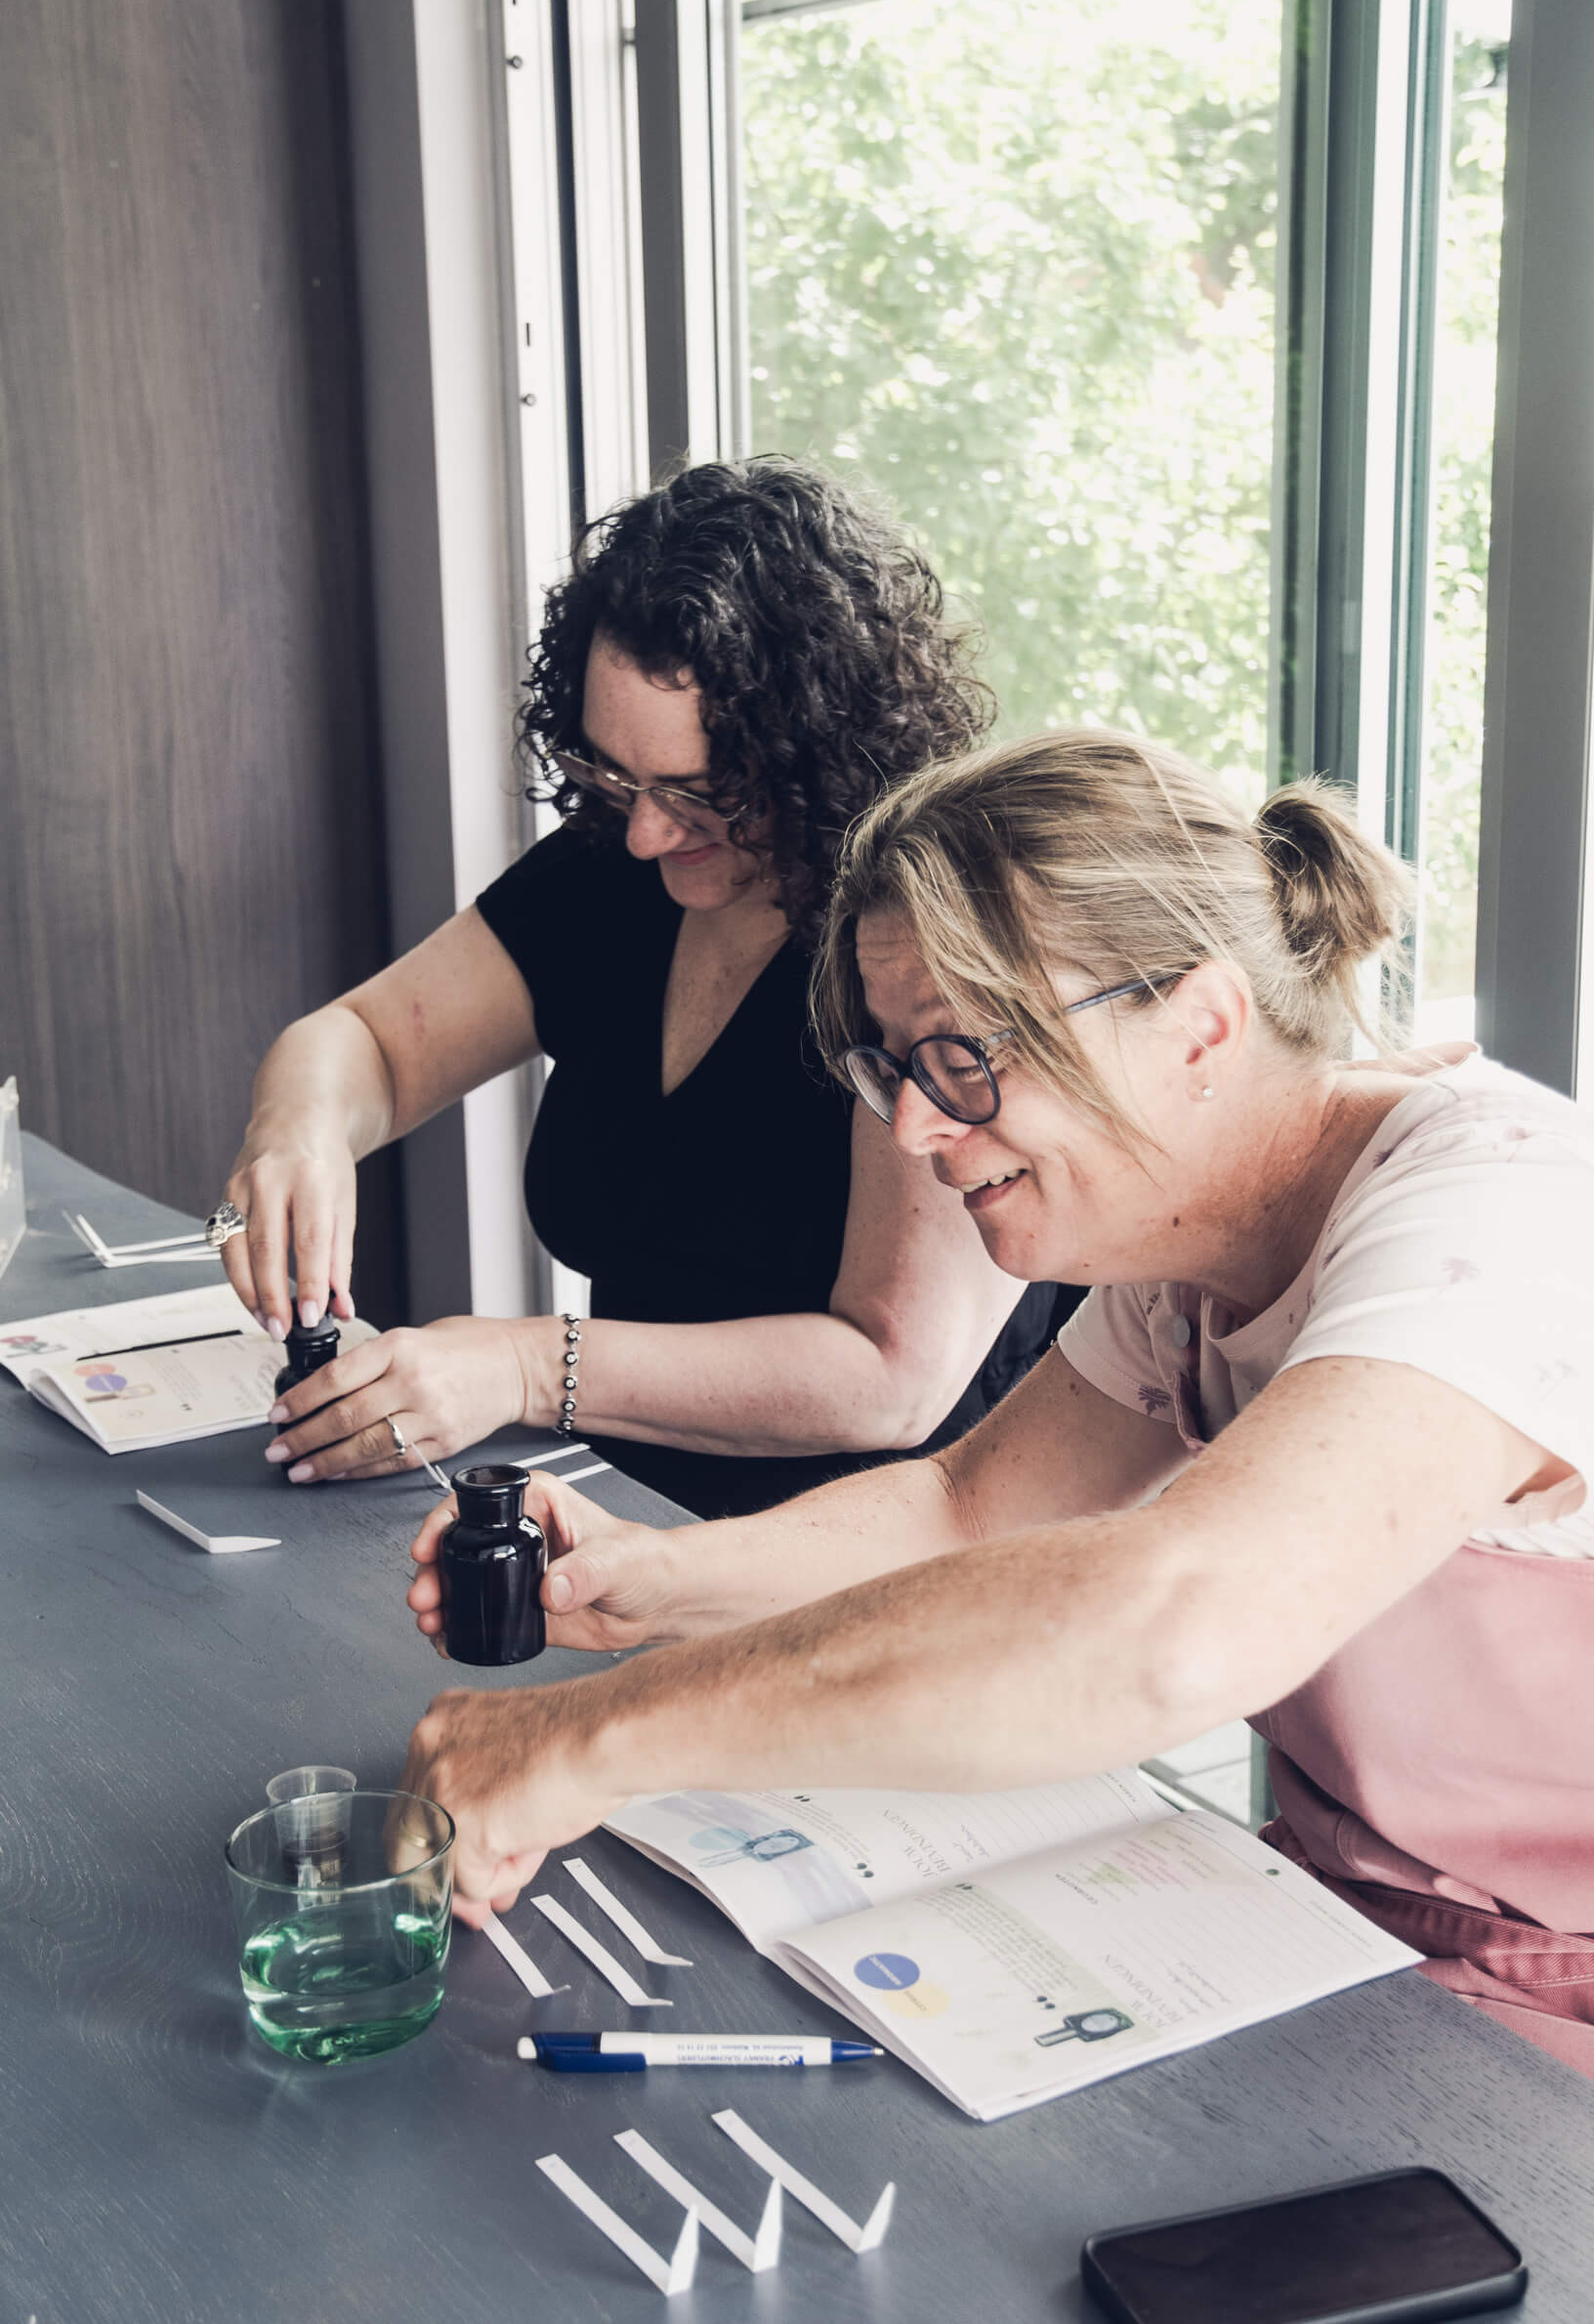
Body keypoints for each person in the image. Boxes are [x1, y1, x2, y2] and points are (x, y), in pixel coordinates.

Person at [401, 728, 1594, 2076]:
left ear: (1201, 1027)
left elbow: (1177, 1621)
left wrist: (595, 1739)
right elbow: (970, 1508)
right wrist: (647, 1581)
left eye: (962, 1059)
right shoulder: (1188, 1238)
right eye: (897, 1067)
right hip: (1363, 1929)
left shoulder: (1500, 1213)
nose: (912, 1129)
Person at [218, 459, 1070, 1518]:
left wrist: (524, 1369)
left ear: (815, 756)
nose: (645, 831)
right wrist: (295, 1132)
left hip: (874, 1553)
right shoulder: (620, 866)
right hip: (629, 1511)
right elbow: (370, 1043)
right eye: (612, 773)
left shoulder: (925, 948)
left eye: (702, 796)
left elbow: (892, 1376)